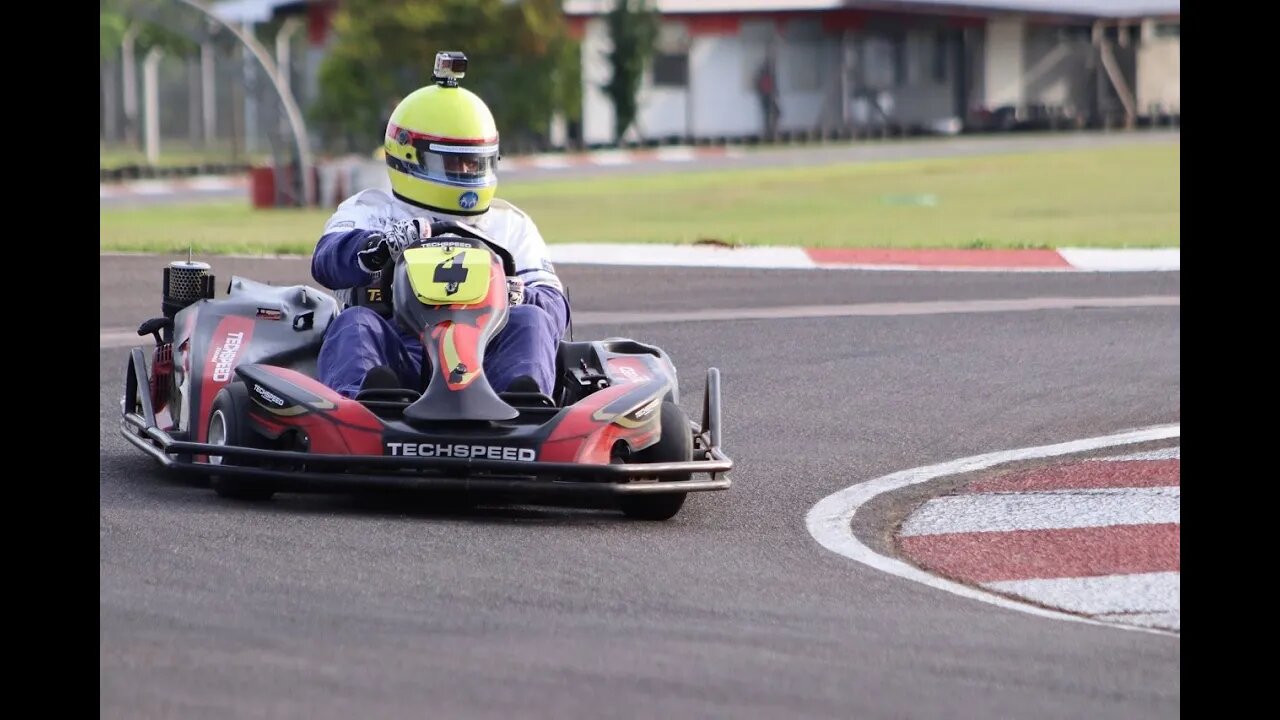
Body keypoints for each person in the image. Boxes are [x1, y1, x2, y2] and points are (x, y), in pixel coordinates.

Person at [310, 53, 569, 400]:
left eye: (474, 162)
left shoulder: (510, 224)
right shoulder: (371, 210)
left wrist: (519, 294)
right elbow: (325, 261)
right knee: (355, 322)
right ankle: (361, 408)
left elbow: (554, 305)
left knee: (532, 321)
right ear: (409, 156)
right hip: (399, 356)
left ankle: (526, 411)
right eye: (453, 161)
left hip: (488, 361)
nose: (465, 172)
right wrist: (376, 249)